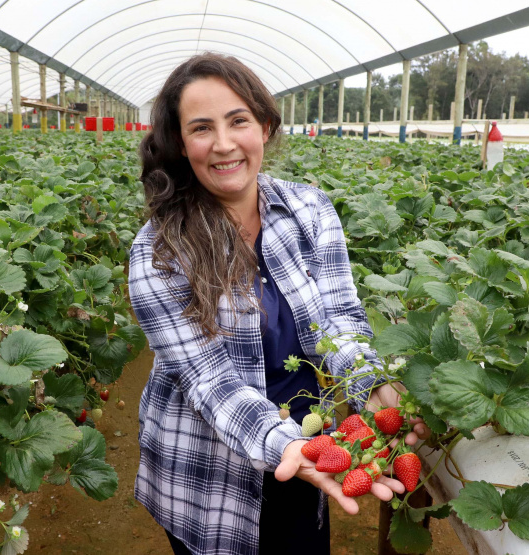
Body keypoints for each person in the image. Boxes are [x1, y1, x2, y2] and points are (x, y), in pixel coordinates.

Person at [129, 53, 428, 555]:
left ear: (265, 127)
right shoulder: (159, 250)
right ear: (181, 145)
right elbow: (210, 381)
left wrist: (370, 385)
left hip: (310, 449)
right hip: (207, 473)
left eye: (238, 121)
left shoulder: (310, 209)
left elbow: (340, 320)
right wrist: (288, 443)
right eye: (202, 128)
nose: (224, 144)